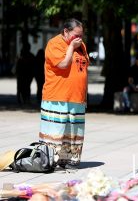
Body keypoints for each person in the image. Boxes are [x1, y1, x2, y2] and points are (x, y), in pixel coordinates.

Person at [39, 18, 89, 170]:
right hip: (57, 96)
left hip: (77, 97)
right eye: (76, 35)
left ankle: (70, 160)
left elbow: (84, 69)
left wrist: (85, 95)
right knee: (56, 131)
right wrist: (71, 47)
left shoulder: (81, 46)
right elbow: (63, 64)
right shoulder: (54, 44)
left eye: (81, 35)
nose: (79, 38)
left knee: (73, 131)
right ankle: (49, 160)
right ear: (66, 31)